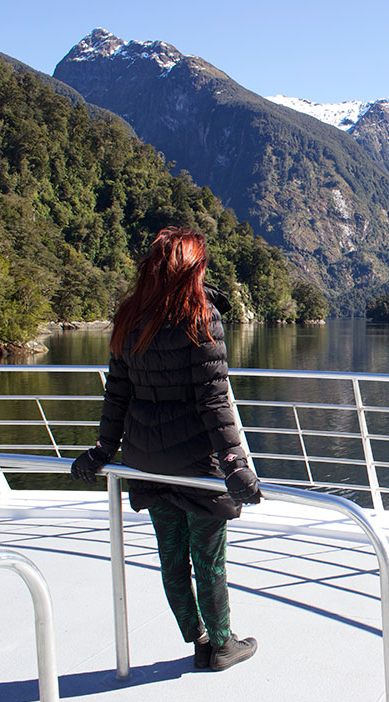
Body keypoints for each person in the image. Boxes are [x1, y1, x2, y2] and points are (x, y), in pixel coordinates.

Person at [71, 226, 261, 672]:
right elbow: (215, 400)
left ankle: (196, 638)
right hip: (195, 463)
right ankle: (222, 645)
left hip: (145, 461)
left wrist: (102, 450)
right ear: (192, 269)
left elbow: (116, 393)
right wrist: (235, 465)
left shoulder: (128, 315)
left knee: (172, 556)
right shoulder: (200, 314)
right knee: (208, 559)